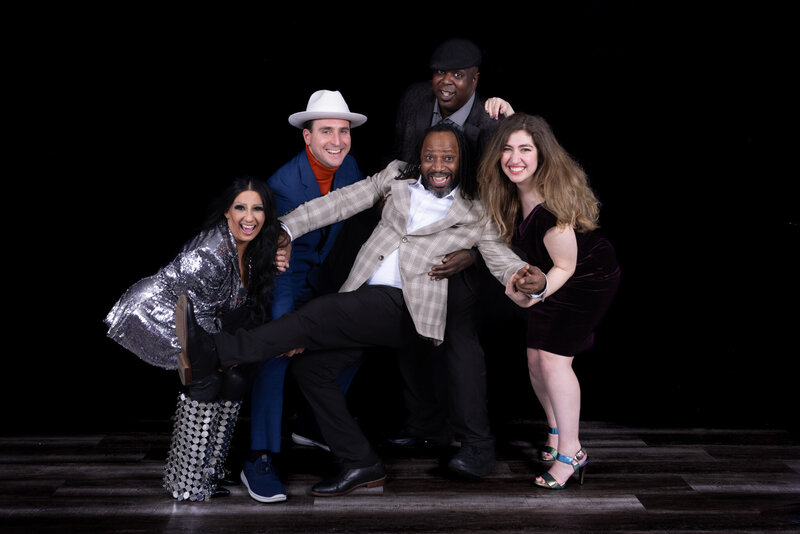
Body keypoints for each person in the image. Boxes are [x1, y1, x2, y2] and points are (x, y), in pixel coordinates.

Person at [176, 122, 546, 497]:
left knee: (317, 314)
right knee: (313, 371)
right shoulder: (396, 177)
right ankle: (361, 462)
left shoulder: (476, 209)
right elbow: (340, 202)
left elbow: (500, 257)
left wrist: (527, 276)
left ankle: (217, 351)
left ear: (461, 160)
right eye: (430, 156)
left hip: (411, 308)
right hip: (365, 298)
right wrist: (285, 229)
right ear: (419, 158)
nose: (438, 166)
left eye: (447, 158)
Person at [104, 176, 282, 501]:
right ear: (227, 212)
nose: (249, 217)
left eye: (257, 209)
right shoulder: (211, 252)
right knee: (207, 382)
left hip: (199, 318)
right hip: (162, 311)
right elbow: (193, 312)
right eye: (240, 207)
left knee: (235, 379)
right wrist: (221, 355)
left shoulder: (252, 248)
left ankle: (209, 474)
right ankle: (185, 484)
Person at [386, 36, 519, 453]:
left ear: (475, 78)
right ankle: (424, 426)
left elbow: (504, 200)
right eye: (440, 72)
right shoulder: (414, 100)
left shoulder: (491, 122)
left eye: (458, 75)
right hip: (416, 234)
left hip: (466, 241)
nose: (446, 82)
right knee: (407, 328)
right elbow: (402, 165)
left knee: (459, 339)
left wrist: (474, 253)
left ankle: (476, 443)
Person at [478, 113, 621, 490]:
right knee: (535, 359)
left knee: (555, 361)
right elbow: (522, 136)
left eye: (525, 149)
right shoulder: (514, 190)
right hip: (554, 274)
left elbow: (566, 266)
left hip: (587, 277)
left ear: (541, 154)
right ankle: (556, 432)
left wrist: (533, 297)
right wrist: (509, 116)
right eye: (507, 149)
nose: (515, 158)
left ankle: (572, 453)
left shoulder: (551, 210)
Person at [242, 90, 368, 503]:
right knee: (275, 351)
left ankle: (313, 424)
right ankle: (260, 455)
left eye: (344, 131)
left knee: (356, 336)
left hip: (324, 279)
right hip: (284, 280)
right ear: (307, 137)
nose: (337, 140)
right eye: (326, 131)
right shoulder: (282, 185)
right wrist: (290, 326)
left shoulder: (350, 167)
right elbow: (278, 261)